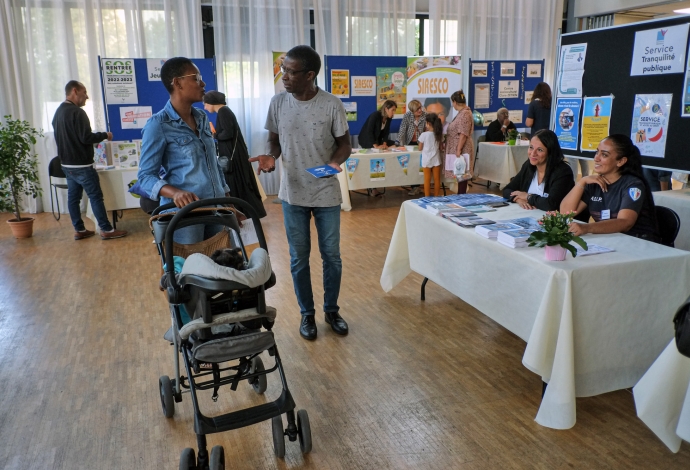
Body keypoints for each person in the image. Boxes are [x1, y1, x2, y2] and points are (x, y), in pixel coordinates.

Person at [256, 45, 352, 341]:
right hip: (292, 194)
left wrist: (334, 163)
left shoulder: (331, 104)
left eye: (290, 71)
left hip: (326, 193)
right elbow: (274, 141)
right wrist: (271, 156)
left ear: (310, 75)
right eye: (282, 69)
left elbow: (345, 144)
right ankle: (307, 314)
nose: (284, 76)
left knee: (331, 257)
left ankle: (332, 311)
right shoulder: (278, 103)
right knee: (299, 259)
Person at [138, 57, 231, 244]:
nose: (203, 84)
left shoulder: (202, 117)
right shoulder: (158, 125)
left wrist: (228, 201)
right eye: (196, 78)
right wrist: (175, 193)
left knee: (220, 259)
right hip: (185, 214)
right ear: (178, 83)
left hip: (215, 208)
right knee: (190, 262)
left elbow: (212, 163)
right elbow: (145, 177)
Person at [52, 80, 127, 241]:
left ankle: (79, 229)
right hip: (82, 165)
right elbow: (86, 138)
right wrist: (105, 135)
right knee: (95, 197)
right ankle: (106, 229)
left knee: (73, 198)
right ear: (74, 91)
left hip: (66, 164)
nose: (87, 96)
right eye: (84, 92)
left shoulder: (58, 112)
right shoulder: (78, 113)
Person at [561, 134, 661, 243]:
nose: (596, 158)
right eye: (597, 152)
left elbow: (625, 222)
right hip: (610, 241)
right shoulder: (594, 182)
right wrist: (582, 181)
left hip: (638, 243)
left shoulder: (633, 185)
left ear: (621, 161)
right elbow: (565, 212)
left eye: (604, 155)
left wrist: (587, 228)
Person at [203, 91, 267, 218]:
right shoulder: (224, 111)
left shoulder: (223, 112)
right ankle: (247, 213)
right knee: (239, 184)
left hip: (233, 158)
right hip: (235, 155)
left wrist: (214, 135)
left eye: (205, 104)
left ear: (211, 102)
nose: (205, 107)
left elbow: (227, 133)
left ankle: (244, 214)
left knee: (236, 184)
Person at [502, 129, 574, 211]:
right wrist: (518, 199)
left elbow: (551, 204)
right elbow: (507, 190)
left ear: (550, 152)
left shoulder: (563, 172)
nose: (533, 153)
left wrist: (528, 197)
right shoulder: (528, 165)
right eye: (531, 147)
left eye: (540, 150)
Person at [444, 90, 474, 194]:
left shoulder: (465, 113)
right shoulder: (462, 113)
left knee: (462, 172)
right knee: (459, 172)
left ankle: (462, 195)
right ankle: (460, 194)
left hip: (462, 148)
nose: (453, 105)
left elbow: (463, 134)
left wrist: (458, 149)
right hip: (459, 147)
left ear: (455, 102)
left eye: (452, 103)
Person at [417, 113, 444, 197]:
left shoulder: (424, 135)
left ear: (428, 123)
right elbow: (441, 148)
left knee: (427, 180)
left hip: (426, 160)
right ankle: (436, 196)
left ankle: (427, 197)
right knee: (437, 180)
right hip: (436, 160)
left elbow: (420, 148)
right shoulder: (439, 134)